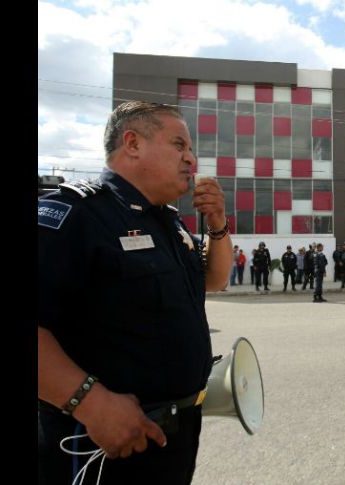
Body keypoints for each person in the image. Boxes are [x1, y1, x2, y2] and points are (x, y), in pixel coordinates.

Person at [38, 101, 234, 485]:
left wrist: (218, 225)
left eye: (191, 150)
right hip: (101, 443)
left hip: (171, 438)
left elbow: (214, 280)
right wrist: (90, 403)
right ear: (132, 143)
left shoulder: (168, 222)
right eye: (179, 145)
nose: (191, 160)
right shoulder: (77, 213)